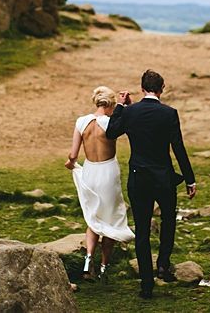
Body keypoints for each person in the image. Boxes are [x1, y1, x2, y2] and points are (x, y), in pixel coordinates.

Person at [106, 69, 196, 299]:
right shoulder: (169, 113)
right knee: (168, 221)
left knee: (143, 231)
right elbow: (178, 148)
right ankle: (164, 264)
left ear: (141, 88)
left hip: (139, 178)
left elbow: (111, 132)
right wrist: (190, 179)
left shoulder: (131, 112)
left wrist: (121, 106)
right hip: (164, 178)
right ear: (162, 88)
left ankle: (146, 284)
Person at [66, 86, 134, 280]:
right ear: (111, 104)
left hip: (90, 170)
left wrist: (71, 163)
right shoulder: (110, 123)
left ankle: (88, 260)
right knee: (110, 217)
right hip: (108, 172)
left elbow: (73, 154)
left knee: (93, 217)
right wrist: (125, 105)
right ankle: (104, 266)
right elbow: (129, 121)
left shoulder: (81, 122)